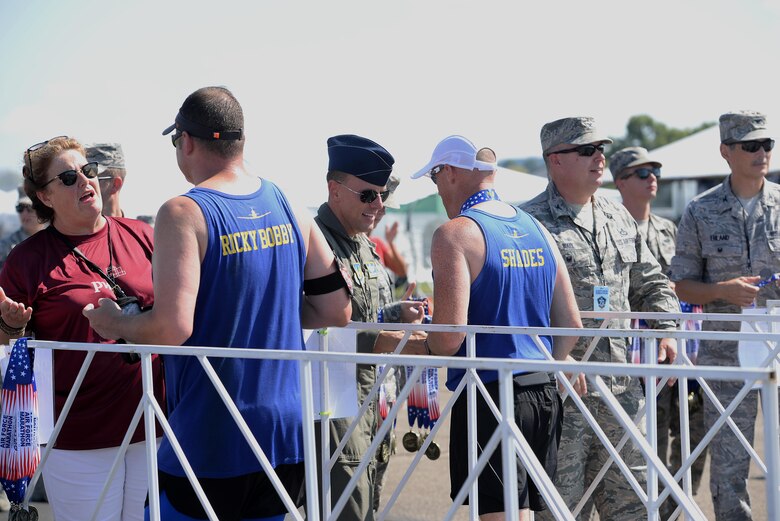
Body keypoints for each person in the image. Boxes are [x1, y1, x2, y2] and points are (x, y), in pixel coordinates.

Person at [84, 86, 351, 521]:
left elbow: (172, 328)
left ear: (186, 141)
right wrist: (270, 308)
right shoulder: (292, 207)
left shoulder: (182, 212)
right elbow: (336, 310)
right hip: (283, 433)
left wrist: (116, 323)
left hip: (211, 434)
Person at [410, 135, 583, 520]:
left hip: (490, 394)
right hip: (543, 393)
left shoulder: (455, 233)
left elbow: (449, 338)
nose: (436, 188)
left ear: (451, 173)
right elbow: (570, 324)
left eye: (435, 177)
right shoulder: (537, 227)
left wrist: (414, 345)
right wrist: (542, 363)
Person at [520, 117, 680, 521]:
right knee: (560, 507)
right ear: (556, 161)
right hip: (563, 397)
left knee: (635, 504)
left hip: (622, 391)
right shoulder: (528, 225)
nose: (599, 158)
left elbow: (651, 280)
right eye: (586, 150)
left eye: (601, 149)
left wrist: (665, 329)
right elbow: (518, 308)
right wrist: (554, 354)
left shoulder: (618, 216)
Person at [0, 136, 165, 521]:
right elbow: (7, 345)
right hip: (78, 436)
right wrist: (10, 325)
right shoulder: (27, 259)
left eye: (88, 172)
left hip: (154, 423)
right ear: (44, 197)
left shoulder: (142, 235)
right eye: (69, 178)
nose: (86, 182)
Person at [670, 110, 779, 521]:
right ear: (726, 151)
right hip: (725, 352)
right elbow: (681, 283)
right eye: (750, 145)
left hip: (778, 346)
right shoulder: (701, 210)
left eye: (766, 144)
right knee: (730, 463)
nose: (761, 152)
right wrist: (721, 292)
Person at [314, 134, 426, 521]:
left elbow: (367, 310)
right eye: (368, 195)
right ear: (335, 189)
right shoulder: (315, 246)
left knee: (371, 504)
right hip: (337, 402)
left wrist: (399, 314)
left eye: (383, 195)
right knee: (348, 507)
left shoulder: (364, 244)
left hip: (377, 399)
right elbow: (308, 326)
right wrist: (380, 338)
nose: (378, 205)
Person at [611, 145, 707, 517]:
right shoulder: (612, 226)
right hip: (634, 354)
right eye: (641, 173)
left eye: (655, 171)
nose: (653, 179)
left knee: (693, 434)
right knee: (647, 437)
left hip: (678, 347)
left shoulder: (670, 229)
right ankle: (648, 508)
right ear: (620, 181)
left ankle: (676, 507)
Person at [368, 175, 408, 285]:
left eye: (385, 206)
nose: (383, 211)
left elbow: (402, 272)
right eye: (381, 206)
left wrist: (391, 243)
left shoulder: (377, 244)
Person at [0, 188, 47, 268]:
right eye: (20, 208)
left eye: (30, 208)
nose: (24, 213)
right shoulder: (5, 245)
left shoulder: (57, 241)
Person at [86, 142, 127, 217]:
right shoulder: (68, 227)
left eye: (93, 178)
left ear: (115, 184)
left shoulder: (136, 228)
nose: (84, 184)